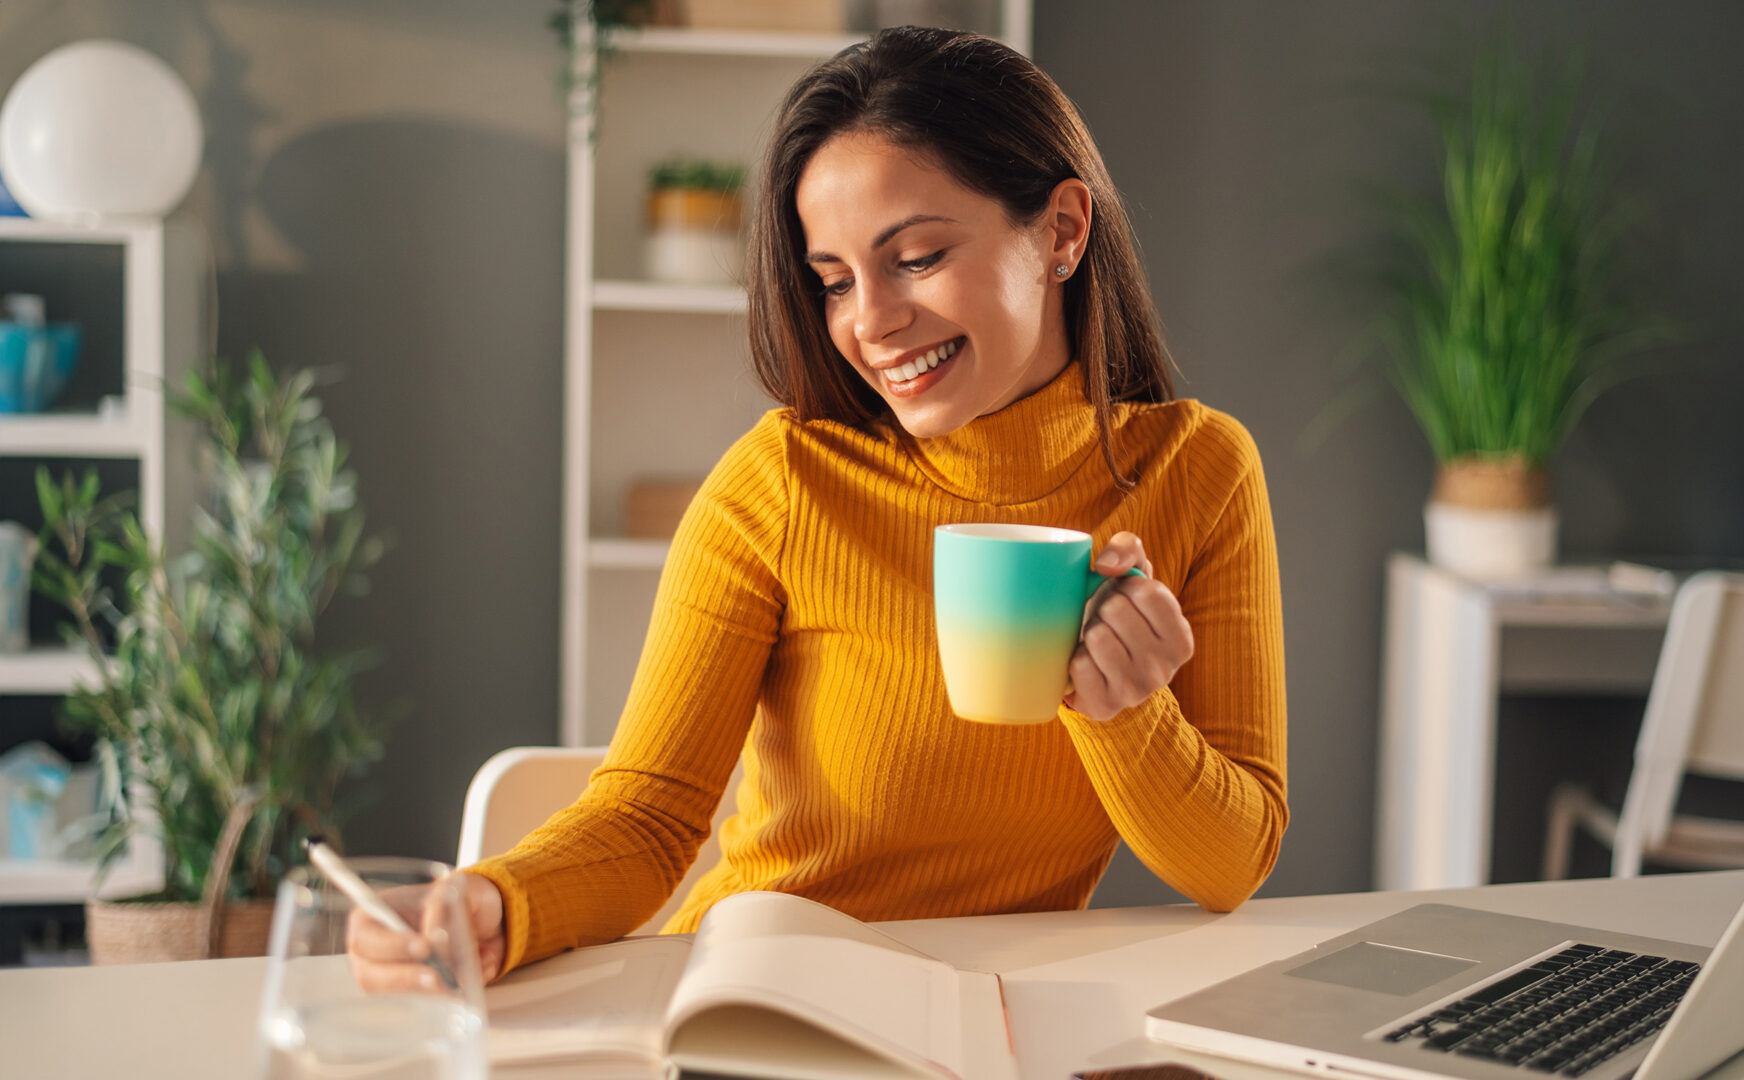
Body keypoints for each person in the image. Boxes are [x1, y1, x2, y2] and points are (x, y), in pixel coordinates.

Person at [350, 25, 1286, 993]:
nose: (869, 323)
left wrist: (1129, 712)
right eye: (834, 281)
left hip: (989, 1022)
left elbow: (1229, 867)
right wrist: (498, 903)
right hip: (762, 1005)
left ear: (1061, 231)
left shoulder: (1199, 472)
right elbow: (649, 819)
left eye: (916, 257)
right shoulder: (783, 482)